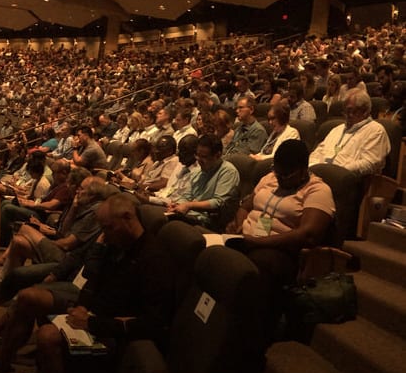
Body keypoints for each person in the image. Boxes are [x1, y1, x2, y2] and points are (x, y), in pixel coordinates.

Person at [0, 193, 175, 373]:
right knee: (29, 297)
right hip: (97, 312)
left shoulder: (155, 259)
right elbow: (93, 280)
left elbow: (154, 323)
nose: (104, 235)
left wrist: (92, 322)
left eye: (108, 228)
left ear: (128, 217)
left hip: (118, 331)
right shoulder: (115, 244)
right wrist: (83, 305)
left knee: (48, 335)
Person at [230, 139, 335, 315]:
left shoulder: (318, 190)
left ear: (303, 171)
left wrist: (257, 242)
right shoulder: (270, 178)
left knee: (257, 266)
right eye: (277, 172)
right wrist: (239, 225)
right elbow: (245, 206)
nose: (279, 178)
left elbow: (309, 234)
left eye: (285, 175)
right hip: (247, 240)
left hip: (279, 251)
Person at [309, 90, 391, 176]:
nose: (346, 115)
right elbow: (318, 151)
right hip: (318, 176)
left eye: (350, 111)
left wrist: (336, 172)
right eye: (345, 111)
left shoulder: (376, 130)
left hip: (346, 179)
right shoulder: (337, 129)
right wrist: (313, 167)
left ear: (364, 111)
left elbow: (369, 163)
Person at [167, 135, 240, 229]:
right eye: (197, 155)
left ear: (217, 155)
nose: (198, 159)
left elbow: (218, 202)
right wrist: (178, 205)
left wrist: (188, 205)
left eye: (204, 156)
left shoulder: (228, 171)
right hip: (190, 215)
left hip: (208, 221)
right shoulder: (197, 171)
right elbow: (186, 196)